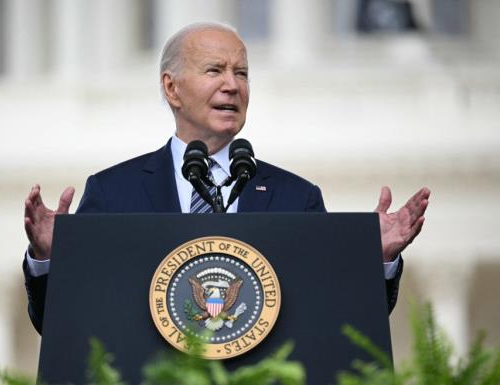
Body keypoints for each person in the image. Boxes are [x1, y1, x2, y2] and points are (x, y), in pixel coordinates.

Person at [23, 22, 430, 335]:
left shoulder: (296, 198)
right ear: (172, 88)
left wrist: (375, 261)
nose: (232, 85)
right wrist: (50, 260)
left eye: (242, 73)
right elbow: (62, 323)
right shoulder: (113, 193)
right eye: (215, 70)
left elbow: (338, 317)